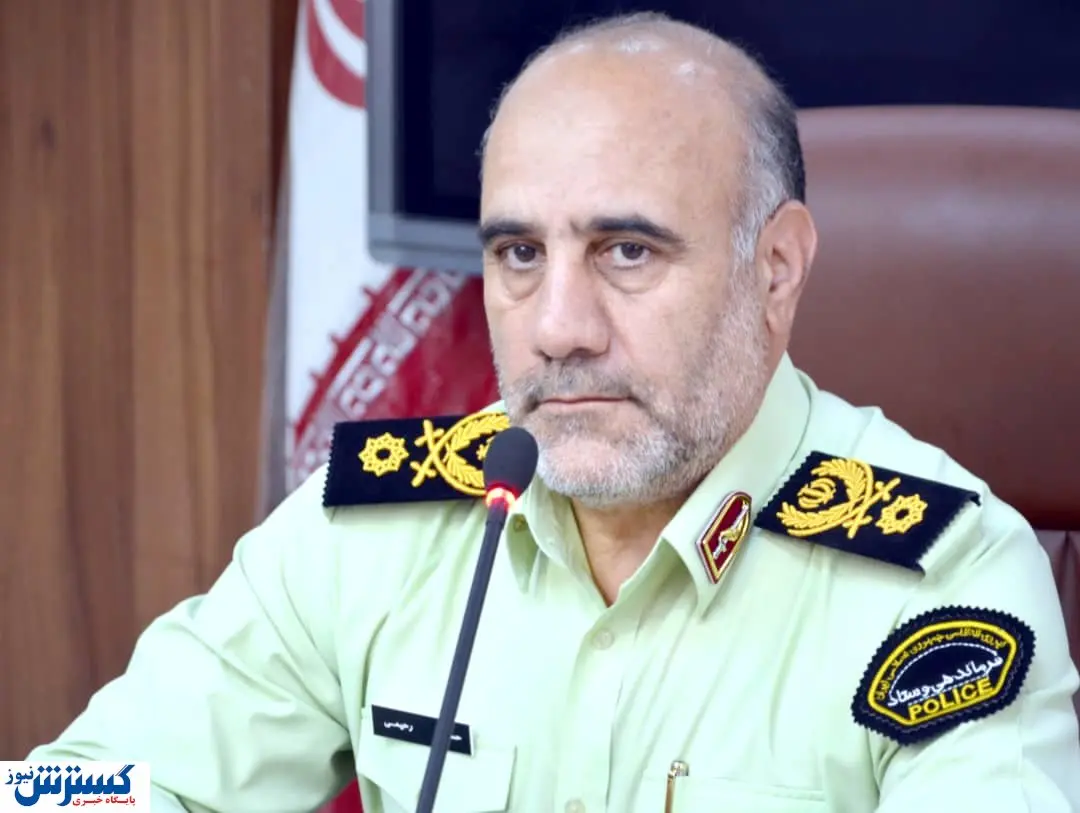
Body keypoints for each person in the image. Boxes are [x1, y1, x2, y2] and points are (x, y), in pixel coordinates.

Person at [28, 11, 1080, 812]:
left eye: (627, 250)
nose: (557, 327)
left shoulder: (945, 577)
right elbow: (90, 784)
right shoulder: (374, 530)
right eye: (520, 254)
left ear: (775, 269)